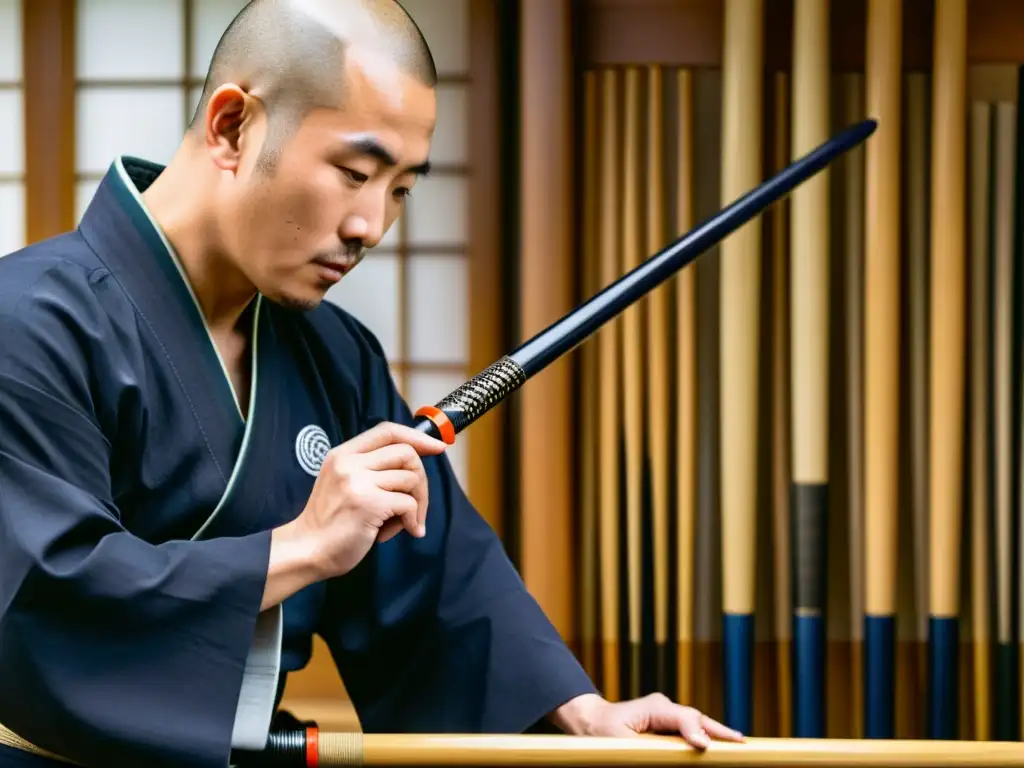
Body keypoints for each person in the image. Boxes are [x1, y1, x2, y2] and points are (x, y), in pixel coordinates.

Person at [0, 1, 744, 766]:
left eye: (399, 188)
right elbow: (45, 595)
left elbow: (437, 588)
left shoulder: (333, 353)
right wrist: (300, 546)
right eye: (355, 173)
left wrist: (580, 715)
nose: (371, 225)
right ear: (231, 128)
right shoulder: (25, 321)